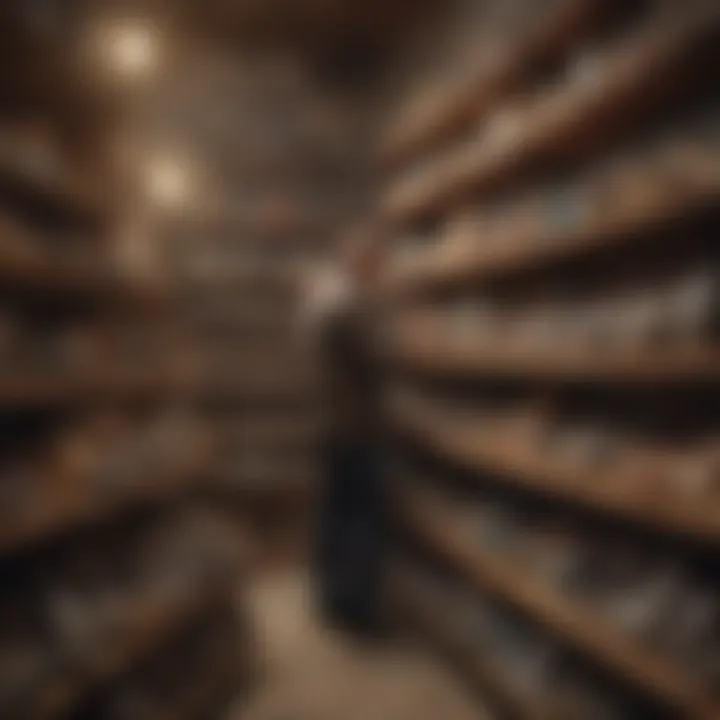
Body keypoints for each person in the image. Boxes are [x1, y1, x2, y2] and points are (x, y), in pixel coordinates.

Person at [300, 231, 388, 637]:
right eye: (373, 263)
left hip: (330, 427)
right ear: (358, 264)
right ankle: (355, 607)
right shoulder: (348, 307)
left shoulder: (322, 304)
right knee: (360, 519)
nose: (379, 271)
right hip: (353, 429)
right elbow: (376, 357)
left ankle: (331, 597)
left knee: (334, 515)